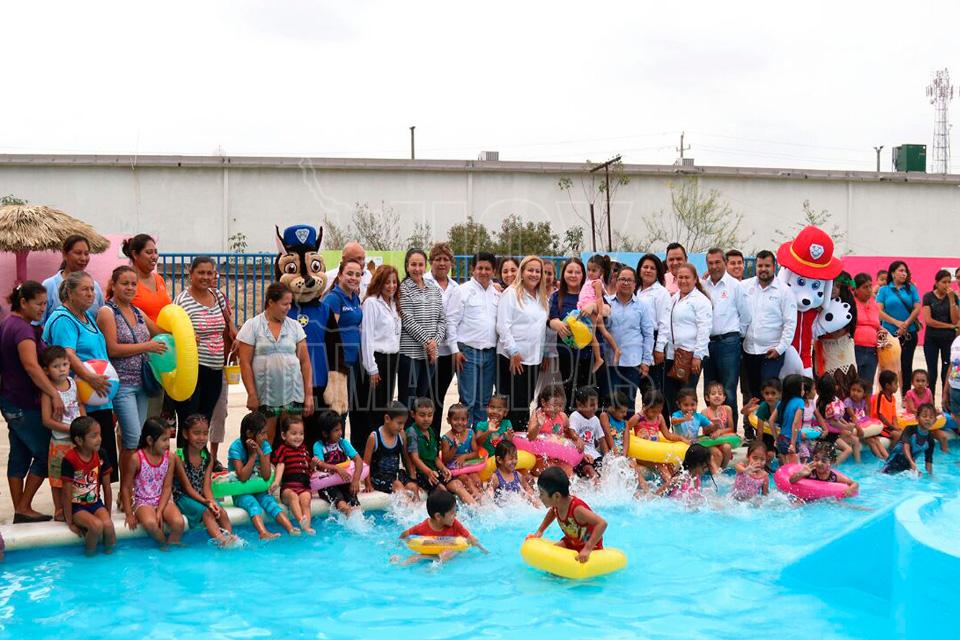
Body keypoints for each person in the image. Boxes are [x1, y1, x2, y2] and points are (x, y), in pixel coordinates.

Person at [43, 271, 119, 484]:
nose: (91, 293)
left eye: (92, 289)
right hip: (84, 399)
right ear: (69, 292)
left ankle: (99, 497)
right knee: (86, 461)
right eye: (84, 289)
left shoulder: (86, 317)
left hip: (99, 397)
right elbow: (67, 355)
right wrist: (90, 377)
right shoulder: (63, 319)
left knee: (103, 459)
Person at [0, 282, 64, 522]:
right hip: (23, 403)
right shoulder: (23, 330)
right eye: (38, 303)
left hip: (10, 400)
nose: (42, 308)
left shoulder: (7, 323)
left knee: (19, 455)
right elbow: (31, 366)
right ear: (23, 302)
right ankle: (24, 506)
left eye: (45, 303)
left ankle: (21, 509)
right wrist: (54, 393)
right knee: (46, 454)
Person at [97, 266, 167, 471]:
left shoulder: (137, 311)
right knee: (133, 438)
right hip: (123, 385)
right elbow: (112, 349)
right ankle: (126, 486)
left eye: (133, 284)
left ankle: (132, 484)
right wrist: (147, 346)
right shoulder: (107, 312)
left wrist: (186, 335)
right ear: (113, 285)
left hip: (142, 384)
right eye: (124, 283)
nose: (130, 288)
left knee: (138, 439)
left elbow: (159, 333)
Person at [237, 282, 314, 445]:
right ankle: (266, 463)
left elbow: (305, 362)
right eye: (284, 304)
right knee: (266, 438)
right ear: (271, 302)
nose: (288, 308)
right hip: (265, 396)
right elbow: (244, 363)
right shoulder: (252, 326)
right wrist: (251, 394)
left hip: (293, 394)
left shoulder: (295, 327)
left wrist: (308, 395)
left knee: (293, 438)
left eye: (290, 304)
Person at [172, 256, 236, 441]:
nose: (205, 277)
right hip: (192, 371)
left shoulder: (217, 296)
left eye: (210, 273)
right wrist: (187, 337)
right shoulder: (181, 301)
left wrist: (234, 331)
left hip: (215, 369)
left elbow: (228, 322)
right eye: (201, 272)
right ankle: (184, 458)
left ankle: (200, 457)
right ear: (190, 273)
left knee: (205, 419)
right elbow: (172, 332)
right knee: (189, 420)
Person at [742, 250, 798, 434]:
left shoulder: (784, 291)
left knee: (770, 393)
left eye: (767, 265)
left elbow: (790, 323)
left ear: (774, 267)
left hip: (771, 352)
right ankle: (756, 434)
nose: (763, 269)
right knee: (755, 394)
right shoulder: (745, 286)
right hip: (749, 350)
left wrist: (780, 348)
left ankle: (772, 433)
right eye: (760, 266)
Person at [397, 248, 446, 435]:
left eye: (420, 264)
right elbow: (408, 320)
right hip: (410, 355)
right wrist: (428, 343)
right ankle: (406, 441)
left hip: (430, 356)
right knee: (408, 402)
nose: (417, 268)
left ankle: (418, 440)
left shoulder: (434, 288)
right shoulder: (404, 289)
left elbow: (442, 320)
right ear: (407, 266)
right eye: (413, 265)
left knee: (422, 401)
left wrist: (435, 343)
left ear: (425, 266)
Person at [228, 411, 298, 539]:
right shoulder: (236, 447)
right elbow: (242, 477)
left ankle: (291, 528)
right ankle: (263, 533)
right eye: (262, 433)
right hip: (241, 491)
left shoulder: (264, 446)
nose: (266, 437)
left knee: (270, 502)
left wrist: (260, 454)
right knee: (252, 504)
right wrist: (252, 455)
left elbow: (266, 476)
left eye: (266, 432)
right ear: (249, 433)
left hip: (258, 488)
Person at [497, 255, 549, 430]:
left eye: (537, 271)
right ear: (522, 272)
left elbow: (542, 328)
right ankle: (507, 442)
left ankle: (521, 440)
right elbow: (502, 326)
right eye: (530, 270)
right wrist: (513, 352)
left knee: (525, 402)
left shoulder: (542, 297)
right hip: (513, 358)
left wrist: (544, 353)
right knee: (511, 405)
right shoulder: (511, 293)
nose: (534, 274)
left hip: (533, 359)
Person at [702, 248, 751, 430]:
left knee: (728, 391)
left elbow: (746, 316)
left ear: (724, 263)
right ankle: (713, 431)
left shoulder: (735, 286)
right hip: (707, 343)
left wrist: (736, 337)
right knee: (710, 391)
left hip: (728, 343)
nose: (714, 266)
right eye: (710, 263)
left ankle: (730, 432)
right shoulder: (703, 285)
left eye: (718, 262)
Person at [172, 414, 238, 547]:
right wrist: (206, 502)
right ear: (185, 434)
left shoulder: (208, 458)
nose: (201, 438)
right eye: (196, 433)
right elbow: (187, 488)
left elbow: (206, 486)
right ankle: (221, 541)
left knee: (221, 512)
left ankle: (231, 539)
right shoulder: (179, 457)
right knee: (207, 512)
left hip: (201, 496)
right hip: (182, 496)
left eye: (205, 433)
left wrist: (212, 502)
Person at [655, 263, 712, 418]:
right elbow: (666, 324)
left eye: (687, 277)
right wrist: (660, 347)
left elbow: (704, 329)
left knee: (687, 396)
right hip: (672, 354)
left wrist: (698, 356)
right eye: (680, 277)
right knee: (670, 394)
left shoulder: (701, 300)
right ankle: (677, 426)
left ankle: (689, 426)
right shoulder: (674, 298)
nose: (683, 281)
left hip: (690, 355)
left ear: (695, 279)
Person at [450, 252, 501, 426]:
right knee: (468, 401)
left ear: (493, 271)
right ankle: (463, 438)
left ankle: (478, 438)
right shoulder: (462, 291)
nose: (483, 272)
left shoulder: (496, 293)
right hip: (468, 353)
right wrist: (455, 350)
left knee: (484, 402)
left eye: (488, 268)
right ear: (473, 269)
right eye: (480, 268)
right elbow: (451, 321)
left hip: (490, 354)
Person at [120, 419, 184, 548]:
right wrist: (129, 513)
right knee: (151, 524)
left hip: (163, 499)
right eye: (164, 440)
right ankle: (164, 546)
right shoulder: (136, 459)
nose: (167, 444)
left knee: (179, 523)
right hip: (143, 501)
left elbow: (167, 487)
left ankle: (173, 545)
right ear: (150, 440)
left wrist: (159, 510)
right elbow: (125, 488)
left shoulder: (169, 458)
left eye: (168, 439)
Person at [357, 265, 402, 452]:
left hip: (392, 359)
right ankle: (368, 451)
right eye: (387, 282)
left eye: (394, 282)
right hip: (377, 360)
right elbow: (366, 337)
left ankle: (381, 450)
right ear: (379, 283)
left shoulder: (394, 303)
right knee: (372, 409)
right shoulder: (371, 303)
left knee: (384, 407)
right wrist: (372, 367)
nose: (391, 286)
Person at [323, 256, 365, 445]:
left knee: (346, 410)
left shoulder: (354, 297)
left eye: (357, 274)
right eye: (349, 273)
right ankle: (333, 450)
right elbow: (330, 334)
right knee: (337, 412)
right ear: (340, 275)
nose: (354, 278)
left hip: (353, 362)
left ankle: (342, 448)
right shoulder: (334, 298)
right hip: (339, 364)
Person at [601, 266, 654, 414]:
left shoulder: (642, 306)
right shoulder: (606, 303)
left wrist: (646, 361)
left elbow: (648, 334)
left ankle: (628, 429)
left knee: (628, 403)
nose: (625, 283)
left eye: (629, 280)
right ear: (616, 281)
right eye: (622, 279)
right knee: (610, 402)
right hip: (610, 362)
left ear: (635, 284)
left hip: (633, 362)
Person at [39, 346, 84, 521]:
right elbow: (46, 420)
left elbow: (80, 405)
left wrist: (84, 424)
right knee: (58, 478)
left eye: (65, 364)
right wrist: (71, 429)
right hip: (59, 443)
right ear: (46, 370)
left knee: (77, 475)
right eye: (56, 366)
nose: (62, 369)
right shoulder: (48, 391)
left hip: (77, 441)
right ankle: (59, 509)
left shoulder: (73, 383)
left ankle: (76, 505)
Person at [60, 416, 116, 555]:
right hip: (77, 507)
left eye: (100, 434)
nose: (99, 439)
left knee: (108, 526)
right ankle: (89, 557)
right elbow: (66, 493)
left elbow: (107, 487)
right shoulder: (70, 459)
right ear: (79, 440)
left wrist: (108, 513)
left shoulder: (101, 454)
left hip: (96, 504)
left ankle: (110, 558)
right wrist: (70, 522)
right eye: (94, 436)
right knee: (96, 526)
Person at [405, 398, 475, 504]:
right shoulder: (412, 432)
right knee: (443, 491)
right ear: (413, 414)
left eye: (429, 415)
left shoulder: (431, 432)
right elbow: (414, 458)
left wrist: (444, 469)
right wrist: (429, 472)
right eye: (422, 415)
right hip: (421, 473)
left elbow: (435, 457)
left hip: (434, 471)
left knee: (457, 484)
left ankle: (476, 509)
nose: (426, 419)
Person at [423, 242, 461, 437]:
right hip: (426, 350)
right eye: (438, 259)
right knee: (424, 399)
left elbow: (455, 319)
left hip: (447, 352)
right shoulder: (422, 282)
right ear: (431, 262)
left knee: (438, 399)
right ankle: (419, 442)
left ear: (451, 263)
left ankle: (434, 441)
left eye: (446, 259)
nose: (442, 263)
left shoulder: (456, 287)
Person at [531, 466, 607, 562]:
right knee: (550, 555)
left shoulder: (577, 509)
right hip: (572, 542)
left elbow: (602, 523)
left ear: (556, 496)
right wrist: (540, 531)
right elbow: (552, 512)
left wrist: (587, 549)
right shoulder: (557, 505)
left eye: (542, 494)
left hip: (591, 546)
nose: (540, 497)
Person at [397, 489, 487, 565]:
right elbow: (405, 534)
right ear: (438, 516)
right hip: (431, 551)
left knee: (446, 553)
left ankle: (433, 565)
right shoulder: (422, 527)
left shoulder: (455, 524)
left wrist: (483, 550)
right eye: (452, 513)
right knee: (414, 558)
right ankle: (400, 562)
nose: (455, 515)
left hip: (450, 551)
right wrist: (400, 544)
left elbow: (469, 537)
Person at [549, 258, 593, 413]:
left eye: (577, 272)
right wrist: (557, 324)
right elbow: (551, 319)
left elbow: (607, 310)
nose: (573, 275)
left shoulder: (589, 295)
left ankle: (587, 422)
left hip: (588, 353)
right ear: (563, 274)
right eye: (569, 271)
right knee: (569, 390)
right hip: (566, 353)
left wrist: (593, 305)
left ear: (583, 275)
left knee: (587, 391)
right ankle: (570, 420)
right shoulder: (557, 296)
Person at [876, 260, 921, 397]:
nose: (904, 273)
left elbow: (917, 308)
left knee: (906, 366)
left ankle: (905, 396)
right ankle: (884, 396)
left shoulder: (911, 289)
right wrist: (896, 322)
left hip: (909, 332)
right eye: (901, 270)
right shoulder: (884, 290)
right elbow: (879, 311)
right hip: (886, 334)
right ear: (892, 273)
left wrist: (905, 324)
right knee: (885, 366)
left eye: (905, 271)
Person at [42, 234, 106, 323]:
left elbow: (101, 320)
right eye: (78, 253)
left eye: (86, 254)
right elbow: (38, 323)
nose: (83, 258)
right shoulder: (49, 285)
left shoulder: (95, 286)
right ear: (65, 254)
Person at [268, 415, 315, 534]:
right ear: (284, 435)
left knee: (306, 500)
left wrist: (313, 465)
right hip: (288, 488)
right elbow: (280, 465)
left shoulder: (304, 449)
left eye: (301, 434)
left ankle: (307, 527)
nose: (298, 437)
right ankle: (301, 520)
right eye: (294, 433)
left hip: (303, 487)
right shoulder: (283, 449)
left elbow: (308, 469)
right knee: (293, 497)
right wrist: (276, 482)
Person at [312, 410, 363, 516]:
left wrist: (355, 480)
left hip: (344, 482)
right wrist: (336, 468)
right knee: (342, 505)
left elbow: (358, 460)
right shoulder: (318, 446)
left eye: (340, 429)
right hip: (327, 485)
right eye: (336, 430)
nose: (340, 433)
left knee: (355, 505)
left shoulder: (343, 443)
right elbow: (320, 464)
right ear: (325, 433)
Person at [363, 401, 419, 496]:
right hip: (377, 477)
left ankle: (415, 506)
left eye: (404, 423)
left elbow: (406, 459)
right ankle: (405, 505)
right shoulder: (374, 437)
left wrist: (413, 479)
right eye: (399, 423)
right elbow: (366, 463)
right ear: (387, 419)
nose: (402, 427)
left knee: (413, 487)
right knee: (398, 486)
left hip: (395, 474)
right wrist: (368, 484)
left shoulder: (401, 435)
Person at [622, 390, 677, 486]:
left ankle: (675, 484)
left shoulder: (659, 417)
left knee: (670, 464)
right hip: (643, 456)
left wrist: (682, 439)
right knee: (661, 466)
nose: (656, 414)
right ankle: (669, 486)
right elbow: (625, 430)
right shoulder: (638, 418)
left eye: (659, 411)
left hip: (655, 453)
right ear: (644, 406)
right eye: (653, 411)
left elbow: (668, 435)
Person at [577, 254, 620, 371]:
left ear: (601, 272)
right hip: (589, 310)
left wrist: (600, 314)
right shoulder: (590, 281)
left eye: (594, 270)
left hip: (593, 312)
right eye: (589, 270)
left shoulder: (596, 282)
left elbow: (599, 299)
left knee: (592, 335)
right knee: (603, 332)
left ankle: (598, 359)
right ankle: (616, 349)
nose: (590, 273)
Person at [636, 254, 671, 393]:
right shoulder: (635, 290)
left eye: (652, 268)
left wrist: (659, 348)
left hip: (653, 340)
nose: (648, 270)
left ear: (658, 272)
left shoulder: (661, 292)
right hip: (635, 340)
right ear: (639, 269)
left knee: (653, 389)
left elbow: (664, 323)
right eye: (645, 267)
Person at [670, 388, 725, 474]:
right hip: (680, 444)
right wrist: (684, 419)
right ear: (679, 405)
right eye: (686, 405)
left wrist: (717, 424)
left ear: (697, 404)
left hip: (693, 445)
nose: (690, 408)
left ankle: (713, 476)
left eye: (693, 405)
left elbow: (711, 427)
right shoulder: (677, 414)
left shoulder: (698, 417)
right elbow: (673, 421)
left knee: (717, 453)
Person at [921, 269, 959, 392]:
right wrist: (948, 326)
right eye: (944, 282)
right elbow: (929, 320)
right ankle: (929, 399)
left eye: (949, 282)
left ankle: (945, 399)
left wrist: (952, 300)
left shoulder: (953, 297)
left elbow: (955, 320)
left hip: (948, 339)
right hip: (931, 338)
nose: (947, 285)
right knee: (932, 372)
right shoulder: (928, 297)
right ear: (937, 283)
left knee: (946, 371)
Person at [124, 234, 171, 323]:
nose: (154, 257)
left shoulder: (159, 279)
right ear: (135, 254)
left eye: (156, 252)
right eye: (149, 252)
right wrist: (157, 331)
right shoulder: (126, 282)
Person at [440, 403, 483, 500]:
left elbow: (476, 453)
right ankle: (475, 502)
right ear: (448, 420)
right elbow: (445, 460)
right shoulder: (446, 438)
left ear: (467, 420)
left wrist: (464, 457)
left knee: (477, 480)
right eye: (455, 419)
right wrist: (454, 447)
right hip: (456, 469)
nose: (459, 422)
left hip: (469, 466)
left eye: (463, 419)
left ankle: (483, 500)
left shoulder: (470, 433)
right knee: (467, 480)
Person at [815, 375, 861, 464]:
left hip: (835, 432)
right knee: (848, 450)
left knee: (856, 440)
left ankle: (858, 464)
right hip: (829, 436)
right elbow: (832, 422)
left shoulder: (829, 400)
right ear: (833, 388)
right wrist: (846, 427)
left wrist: (846, 425)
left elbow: (838, 417)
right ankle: (831, 467)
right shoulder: (827, 404)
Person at [883, 403, 937, 475]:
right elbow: (906, 447)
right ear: (917, 418)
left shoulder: (930, 440)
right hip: (893, 462)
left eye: (931, 417)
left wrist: (931, 476)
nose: (927, 419)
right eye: (924, 416)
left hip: (908, 466)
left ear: (935, 421)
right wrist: (911, 463)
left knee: (920, 475)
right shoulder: (910, 429)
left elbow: (928, 461)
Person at [789, 441, 858, 497]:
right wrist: (801, 473)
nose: (819, 463)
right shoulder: (810, 472)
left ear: (831, 462)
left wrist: (851, 489)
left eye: (824, 460)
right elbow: (791, 480)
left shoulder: (833, 477)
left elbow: (854, 483)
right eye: (816, 459)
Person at [568, 386, 607, 480]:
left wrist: (608, 457)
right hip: (580, 455)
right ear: (580, 405)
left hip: (594, 455)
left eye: (596, 404)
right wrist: (577, 439)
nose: (595, 408)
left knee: (605, 469)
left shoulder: (595, 419)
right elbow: (571, 432)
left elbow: (602, 440)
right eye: (592, 405)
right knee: (589, 469)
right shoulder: (575, 416)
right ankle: (598, 486)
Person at [845, 379, 888, 460]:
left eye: (859, 391)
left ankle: (887, 458)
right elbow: (853, 417)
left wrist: (871, 429)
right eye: (853, 390)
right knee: (871, 441)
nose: (855, 393)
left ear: (864, 393)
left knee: (876, 439)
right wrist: (859, 429)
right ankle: (880, 459)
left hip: (863, 428)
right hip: (854, 429)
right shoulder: (848, 401)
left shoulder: (863, 402)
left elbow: (867, 417)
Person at [852, 273, 881, 388]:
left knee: (868, 385)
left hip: (872, 351)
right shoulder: (851, 304)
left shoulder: (874, 305)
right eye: (865, 287)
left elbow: (877, 326)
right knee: (853, 384)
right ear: (856, 290)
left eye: (870, 286)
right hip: (855, 349)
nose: (869, 290)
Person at [770, 374, 805, 464]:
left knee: (784, 467)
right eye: (802, 388)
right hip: (791, 440)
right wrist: (792, 444)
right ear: (797, 390)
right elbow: (796, 423)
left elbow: (771, 421)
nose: (803, 391)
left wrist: (776, 439)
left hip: (781, 439)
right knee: (793, 469)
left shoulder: (782, 403)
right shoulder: (800, 402)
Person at [871, 370, 902, 447]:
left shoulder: (893, 398)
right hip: (880, 426)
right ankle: (892, 453)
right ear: (888, 386)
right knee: (897, 435)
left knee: (903, 433)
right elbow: (880, 415)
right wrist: (893, 427)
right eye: (895, 383)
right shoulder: (880, 396)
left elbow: (894, 416)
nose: (897, 386)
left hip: (888, 427)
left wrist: (896, 427)